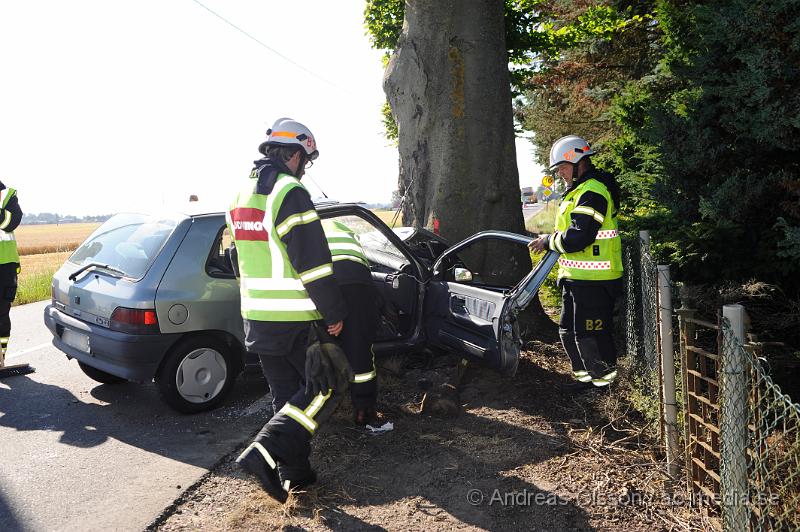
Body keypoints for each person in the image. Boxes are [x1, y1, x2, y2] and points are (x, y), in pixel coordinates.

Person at [228, 118, 351, 503]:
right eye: (306, 160)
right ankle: (261, 452)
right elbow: (312, 261)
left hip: (258, 317)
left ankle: (295, 476)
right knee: (328, 386)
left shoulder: (242, 192)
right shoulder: (289, 191)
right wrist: (333, 311)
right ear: (295, 154)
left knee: (286, 397)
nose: (305, 167)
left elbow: (234, 255)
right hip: (296, 316)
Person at [529, 135, 623, 391]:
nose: (560, 174)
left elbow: (578, 237)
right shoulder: (579, 191)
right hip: (577, 278)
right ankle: (585, 380)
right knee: (569, 331)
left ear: (579, 162)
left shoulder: (593, 192)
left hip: (595, 281)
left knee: (591, 334)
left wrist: (548, 241)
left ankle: (604, 386)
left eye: (562, 167)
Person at [321, 218, 380, 425]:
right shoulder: (346, 231)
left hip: (324, 278)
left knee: (323, 344)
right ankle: (363, 409)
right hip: (357, 281)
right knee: (360, 347)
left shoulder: (311, 229)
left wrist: (332, 315)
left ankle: (321, 407)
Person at [0, 181, 22, 367]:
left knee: (1, 313)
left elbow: (10, 223)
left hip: (4, 266)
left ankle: (0, 358)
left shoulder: (6, 195)